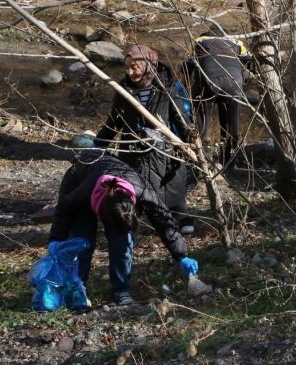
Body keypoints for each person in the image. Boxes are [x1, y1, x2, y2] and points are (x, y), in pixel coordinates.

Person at [48, 151, 199, 306]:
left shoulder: (142, 190)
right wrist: (55, 240)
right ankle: (77, 289)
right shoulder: (82, 192)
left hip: (113, 181)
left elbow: (163, 219)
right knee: (82, 243)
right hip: (80, 181)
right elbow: (63, 209)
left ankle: (121, 289)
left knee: (122, 243)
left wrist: (181, 255)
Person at [94, 45, 195, 234]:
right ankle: (134, 222)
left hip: (162, 149)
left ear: (149, 65)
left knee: (173, 184)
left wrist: (191, 139)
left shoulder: (166, 88)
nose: (130, 72)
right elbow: (114, 121)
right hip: (133, 149)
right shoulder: (123, 90)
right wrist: (98, 145)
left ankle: (180, 217)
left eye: (134, 67)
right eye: (127, 67)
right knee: (135, 185)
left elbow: (180, 117)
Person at [184, 29, 252, 169]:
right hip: (233, 83)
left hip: (208, 83)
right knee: (231, 125)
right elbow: (249, 62)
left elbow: (187, 65)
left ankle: (196, 160)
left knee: (200, 123)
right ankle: (229, 161)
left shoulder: (200, 41)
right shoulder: (237, 42)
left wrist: (185, 88)